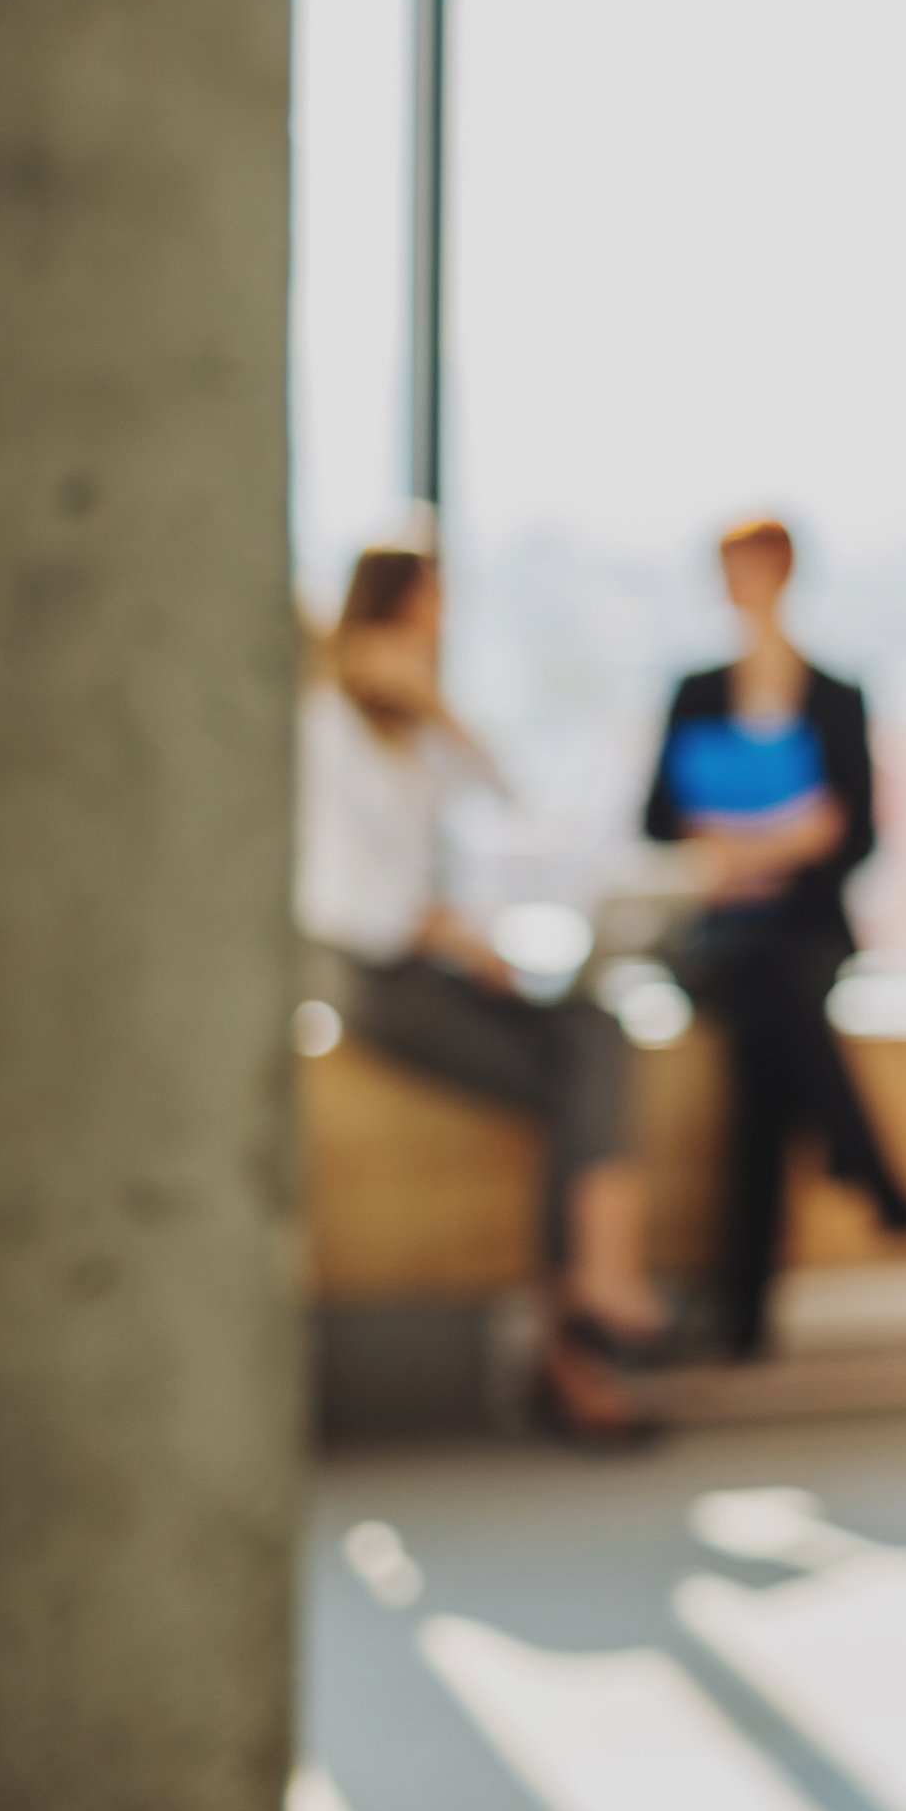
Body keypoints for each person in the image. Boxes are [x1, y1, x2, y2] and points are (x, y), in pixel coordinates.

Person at [300, 545, 665, 1447]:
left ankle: (593, 1294)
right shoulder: (324, 727)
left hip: (444, 960)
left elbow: (507, 794)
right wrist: (447, 932)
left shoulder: (416, 729)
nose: (437, 628)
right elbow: (335, 896)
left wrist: (434, 706)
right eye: (424, 611)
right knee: (578, 1081)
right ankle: (579, 1337)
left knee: (594, 1032)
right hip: (374, 975)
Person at [643, 518, 906, 1361]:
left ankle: (744, 1313)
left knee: (764, 1046)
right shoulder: (696, 691)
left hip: (800, 932)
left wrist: (762, 845)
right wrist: (775, 839)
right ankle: (856, 1153)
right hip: (716, 933)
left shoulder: (834, 696)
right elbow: (656, 818)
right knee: (770, 994)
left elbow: (856, 832)